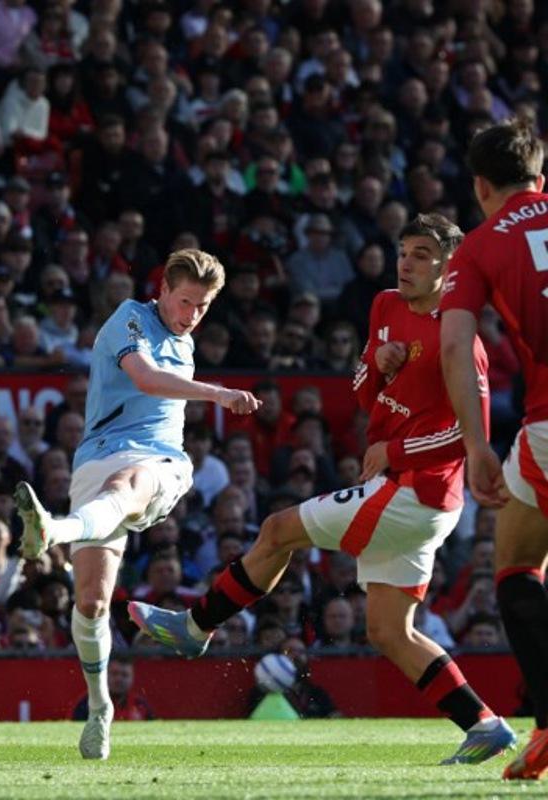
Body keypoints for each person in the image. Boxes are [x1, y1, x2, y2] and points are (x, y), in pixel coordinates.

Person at [136, 215, 517, 765]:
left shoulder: (461, 339)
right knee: (388, 631)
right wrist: (374, 365)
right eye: (403, 251)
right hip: (403, 489)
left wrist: (396, 452)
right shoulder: (386, 305)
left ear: (449, 267)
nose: (406, 263)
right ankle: (483, 723)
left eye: (423, 255)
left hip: (416, 491)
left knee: (277, 530)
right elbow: (364, 393)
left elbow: (467, 431)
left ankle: (196, 626)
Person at [13, 248, 260, 760]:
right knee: (91, 603)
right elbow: (145, 378)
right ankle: (101, 708)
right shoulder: (131, 318)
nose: (191, 314)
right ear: (163, 290)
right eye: (185, 300)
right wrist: (218, 393)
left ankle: (54, 531)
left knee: (128, 485)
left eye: (203, 306)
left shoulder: (185, 342)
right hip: (97, 457)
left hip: (160, 462)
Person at [439, 118, 548, 781]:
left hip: (545, 424)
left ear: (481, 186)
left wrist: (477, 444)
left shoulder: (478, 247)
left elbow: (456, 345)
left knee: (514, 569)